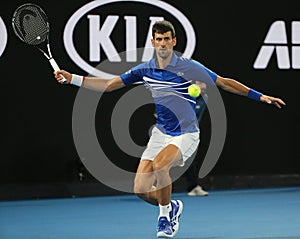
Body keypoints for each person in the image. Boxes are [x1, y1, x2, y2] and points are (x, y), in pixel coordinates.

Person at [54, 20, 286, 238]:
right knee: (141, 189)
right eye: (158, 39)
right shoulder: (144, 69)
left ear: (174, 41)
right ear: (153, 42)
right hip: (160, 134)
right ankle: (172, 205)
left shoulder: (189, 67)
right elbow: (108, 85)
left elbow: (224, 82)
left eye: (167, 39)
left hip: (186, 134)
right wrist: (72, 78)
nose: (163, 43)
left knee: (160, 166)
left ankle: (164, 219)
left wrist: (260, 96)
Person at [184, 81, 209, 196]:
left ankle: (193, 187)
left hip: (188, 132)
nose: (203, 86)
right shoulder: (181, 94)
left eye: (204, 83)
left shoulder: (204, 97)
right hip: (169, 130)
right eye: (200, 83)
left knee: (190, 159)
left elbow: (197, 118)